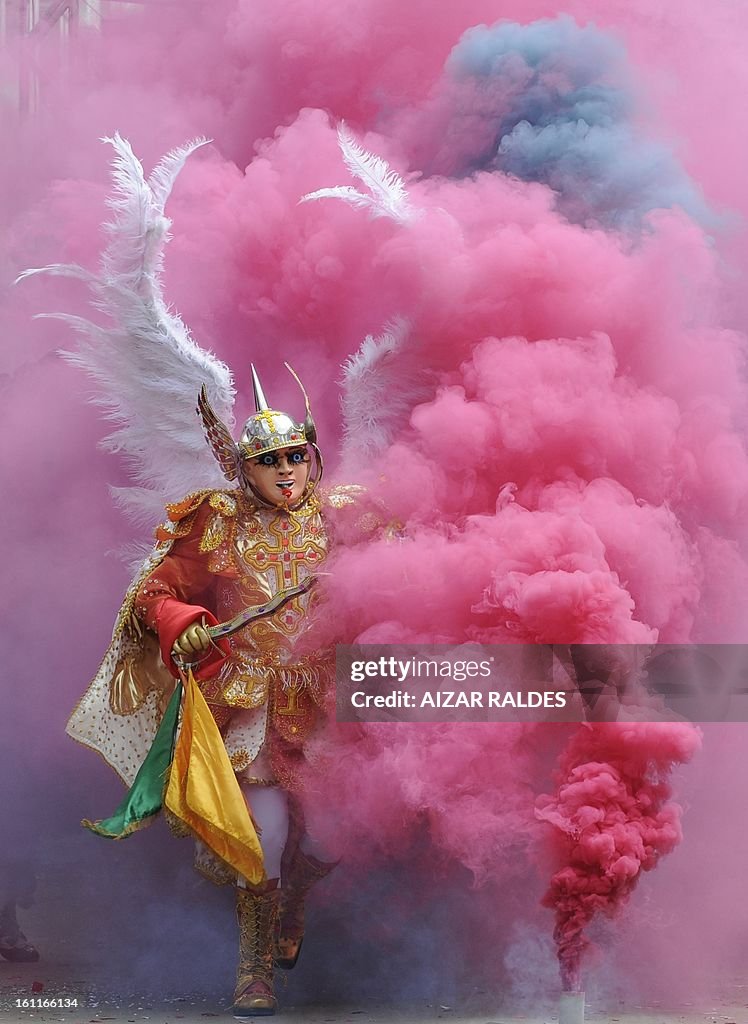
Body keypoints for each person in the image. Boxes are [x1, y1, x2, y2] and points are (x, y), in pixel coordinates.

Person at [68, 365, 381, 1017]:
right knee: (257, 840)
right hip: (254, 704)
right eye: (270, 461)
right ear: (244, 469)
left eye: (296, 455)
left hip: (329, 702)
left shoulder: (350, 513)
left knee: (331, 836)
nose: (287, 470)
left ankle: (296, 901)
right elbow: (151, 594)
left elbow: (416, 571)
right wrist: (182, 627)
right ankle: (255, 967)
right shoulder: (218, 520)